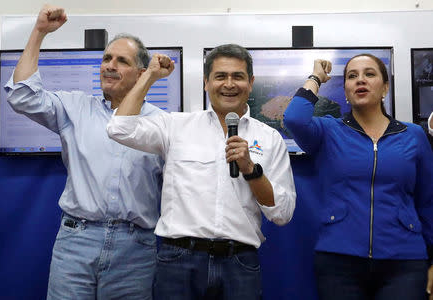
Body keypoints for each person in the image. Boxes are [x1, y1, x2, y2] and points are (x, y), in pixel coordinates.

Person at [107, 44, 296, 299]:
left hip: (239, 262)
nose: (229, 84)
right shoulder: (177, 125)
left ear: (250, 83)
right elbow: (119, 128)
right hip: (178, 261)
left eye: (238, 76)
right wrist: (149, 75)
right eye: (220, 76)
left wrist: (251, 170)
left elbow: (282, 213)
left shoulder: (270, 138)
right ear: (206, 82)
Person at [5, 5, 164, 300]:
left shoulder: (161, 124)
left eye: (121, 61)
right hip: (76, 242)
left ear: (142, 73)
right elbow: (21, 95)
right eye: (106, 58)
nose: (109, 65)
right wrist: (39, 32)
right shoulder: (75, 108)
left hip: (135, 250)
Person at [284, 55, 433, 300]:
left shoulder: (413, 135)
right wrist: (315, 78)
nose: (360, 80)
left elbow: (428, 201)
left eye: (369, 74)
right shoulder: (329, 131)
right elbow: (294, 118)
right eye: (352, 76)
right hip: (338, 262)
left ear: (385, 87)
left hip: (404, 261)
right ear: (345, 91)